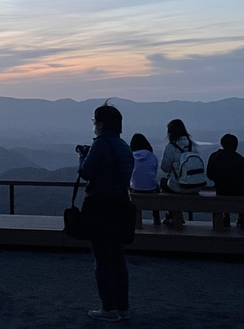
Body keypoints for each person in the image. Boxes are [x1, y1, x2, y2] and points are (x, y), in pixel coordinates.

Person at [76, 103, 135, 323]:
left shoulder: (100, 145)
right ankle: (123, 307)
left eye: (94, 121)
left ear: (100, 124)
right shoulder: (123, 145)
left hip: (100, 205)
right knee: (118, 258)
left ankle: (108, 308)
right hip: (120, 205)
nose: (94, 125)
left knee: (102, 259)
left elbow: (86, 172)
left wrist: (83, 156)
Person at [158, 119, 206, 227]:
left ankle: (171, 215)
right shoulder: (192, 145)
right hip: (196, 185)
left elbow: (165, 168)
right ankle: (174, 215)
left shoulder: (170, 147)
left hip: (179, 186)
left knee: (164, 183)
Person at [206, 134, 244, 229]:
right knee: (241, 191)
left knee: (221, 192)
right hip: (239, 192)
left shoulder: (215, 157)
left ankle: (225, 216)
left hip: (221, 190)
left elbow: (209, 174)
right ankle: (241, 217)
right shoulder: (240, 159)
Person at [128, 133, 161, 226]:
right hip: (151, 188)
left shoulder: (130, 156)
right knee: (156, 188)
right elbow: (154, 172)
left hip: (135, 187)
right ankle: (156, 217)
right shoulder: (152, 156)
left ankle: (137, 221)